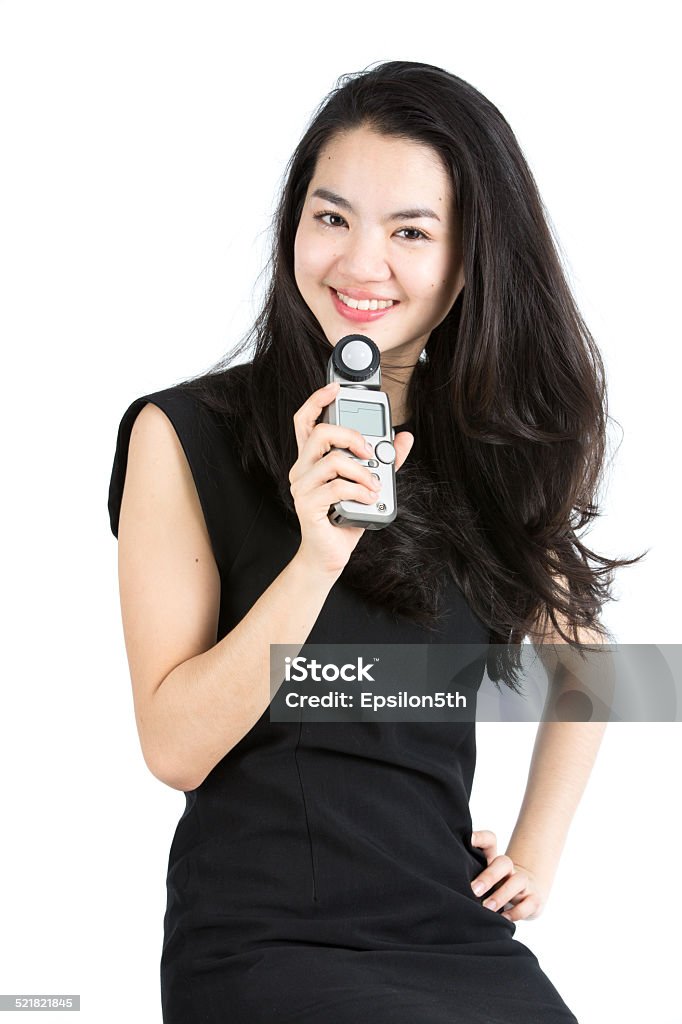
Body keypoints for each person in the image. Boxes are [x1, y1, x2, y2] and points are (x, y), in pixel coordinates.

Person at [108, 60, 644, 1023]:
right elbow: (173, 748)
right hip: (270, 945)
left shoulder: (489, 449)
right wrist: (316, 557)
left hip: (456, 936)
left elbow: (594, 667)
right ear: (294, 228)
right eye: (332, 217)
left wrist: (537, 851)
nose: (361, 264)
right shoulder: (182, 435)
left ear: (472, 258)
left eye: (410, 232)